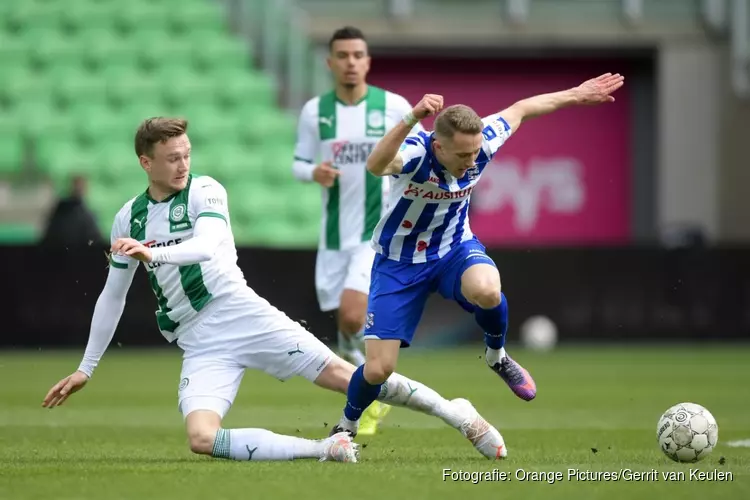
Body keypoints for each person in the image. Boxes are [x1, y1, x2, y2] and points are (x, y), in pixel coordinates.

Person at [42, 117, 508, 463]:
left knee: (355, 378)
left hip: (240, 312)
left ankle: (459, 414)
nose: (183, 164)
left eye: (186, 153)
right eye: (171, 158)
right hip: (197, 340)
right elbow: (113, 293)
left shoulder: (205, 190)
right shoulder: (129, 218)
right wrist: (88, 367)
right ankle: (326, 448)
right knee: (201, 439)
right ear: (146, 163)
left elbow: (206, 247)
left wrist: (154, 254)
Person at [331, 73, 626, 437]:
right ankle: (346, 426)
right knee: (378, 370)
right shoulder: (416, 154)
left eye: (474, 152)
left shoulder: (482, 142)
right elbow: (376, 165)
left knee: (488, 289)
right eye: (462, 154)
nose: (472, 161)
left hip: (453, 249)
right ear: (438, 146)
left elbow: (523, 108)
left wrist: (576, 94)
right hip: (398, 263)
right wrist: (410, 118)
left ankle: (497, 356)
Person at [292, 26, 424, 434]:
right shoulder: (316, 111)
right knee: (346, 323)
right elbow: (297, 163)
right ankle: (366, 387)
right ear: (331, 63)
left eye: (358, 55)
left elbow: (420, 153)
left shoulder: (393, 106)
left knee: (352, 314)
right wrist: (313, 171)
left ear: (368, 62)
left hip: (377, 231)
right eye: (343, 55)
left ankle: (369, 387)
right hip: (334, 236)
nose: (350, 62)